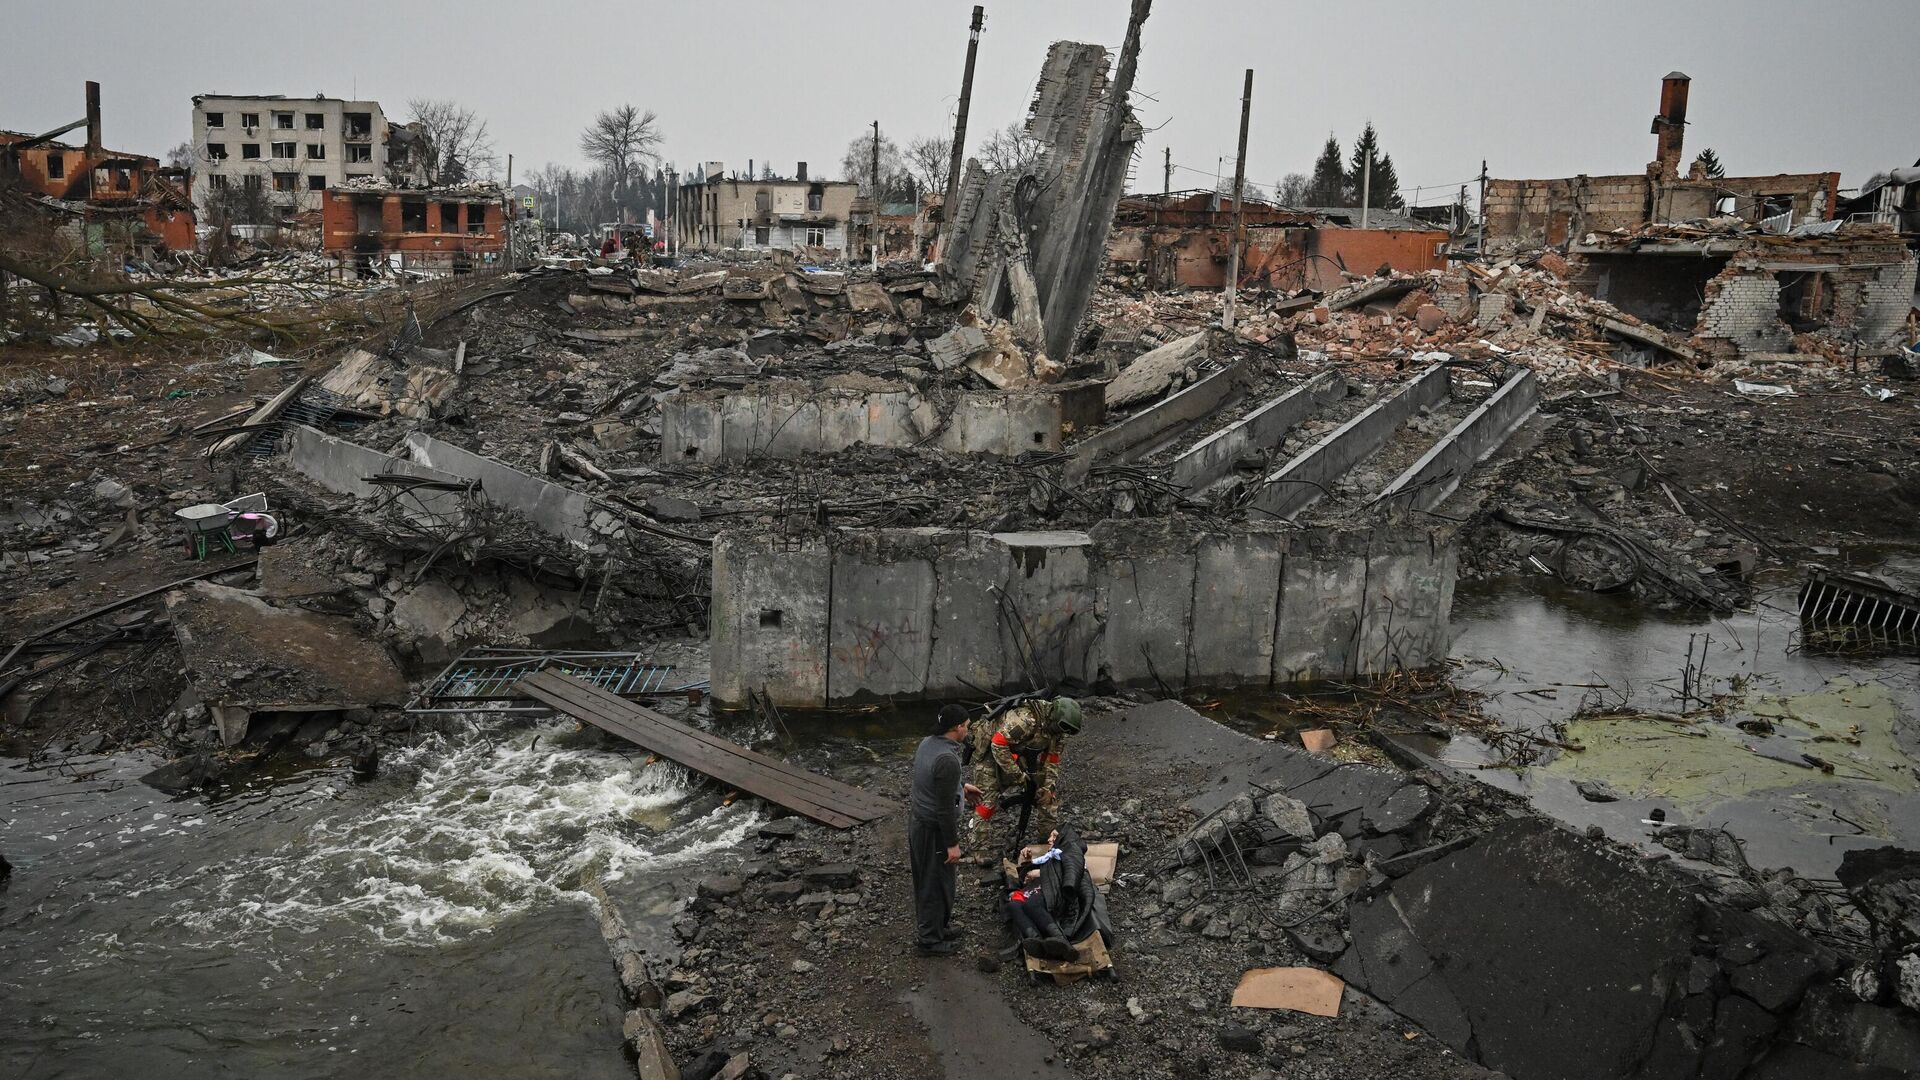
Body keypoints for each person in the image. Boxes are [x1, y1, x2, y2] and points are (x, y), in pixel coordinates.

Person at [970, 696, 1083, 860]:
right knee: (986, 803)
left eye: (1067, 730)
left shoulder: (1058, 734)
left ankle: (1047, 838)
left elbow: (1052, 761)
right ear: (1053, 717)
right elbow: (998, 743)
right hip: (992, 755)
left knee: (1047, 796)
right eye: (1062, 727)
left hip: (1020, 754)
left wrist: (1048, 787)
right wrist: (1019, 776)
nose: (1063, 732)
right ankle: (979, 847)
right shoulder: (1026, 719)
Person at [909, 703, 982, 955]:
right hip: (933, 830)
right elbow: (944, 810)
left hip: (920, 822)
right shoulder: (947, 760)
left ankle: (938, 927)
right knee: (934, 883)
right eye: (967, 726)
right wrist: (952, 845)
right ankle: (929, 941)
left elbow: (936, 782)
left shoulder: (928, 743)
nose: (968, 731)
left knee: (935, 880)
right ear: (957, 727)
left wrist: (961, 788)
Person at [1007, 830, 1075, 960]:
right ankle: (1036, 941)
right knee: (1013, 905)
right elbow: (1025, 878)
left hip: (1051, 893)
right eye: (1050, 835)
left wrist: (1042, 873)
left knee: (1032, 903)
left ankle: (1063, 942)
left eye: (1054, 836)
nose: (1049, 839)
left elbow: (1070, 875)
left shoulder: (1069, 856)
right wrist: (1027, 862)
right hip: (1035, 890)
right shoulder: (1048, 857)